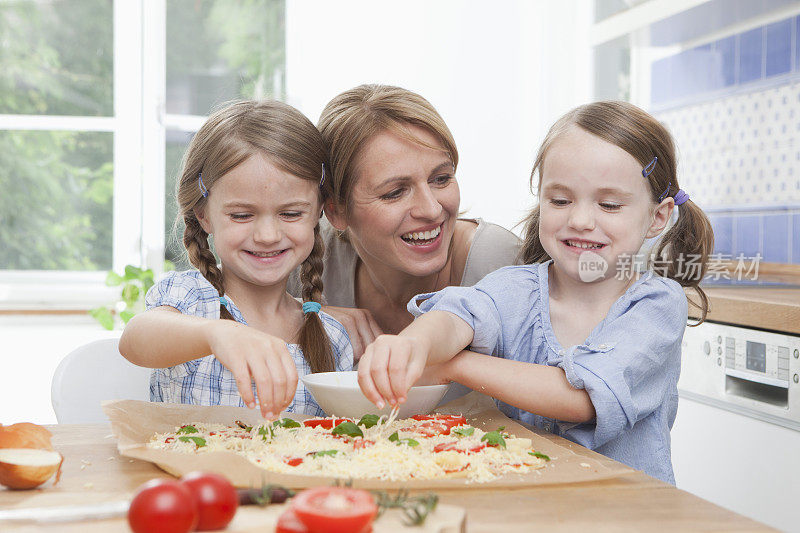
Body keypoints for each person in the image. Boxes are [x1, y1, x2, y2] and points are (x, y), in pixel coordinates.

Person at [355, 101, 714, 484]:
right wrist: (415, 344)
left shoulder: (656, 305)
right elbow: (456, 316)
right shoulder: (514, 287)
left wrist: (451, 364)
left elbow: (582, 400)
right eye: (560, 200)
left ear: (657, 217)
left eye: (609, 205)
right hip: (529, 508)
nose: (579, 220)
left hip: (626, 515)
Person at [119, 100, 353, 419]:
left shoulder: (331, 336)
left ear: (318, 211)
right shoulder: (191, 300)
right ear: (204, 215)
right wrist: (216, 335)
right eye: (242, 215)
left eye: (291, 213)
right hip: (187, 470)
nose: (267, 234)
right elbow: (135, 339)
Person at [287, 84, 521, 359]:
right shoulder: (310, 252)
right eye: (395, 193)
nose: (432, 210)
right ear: (336, 211)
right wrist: (298, 314)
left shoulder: (498, 260)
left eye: (441, 179)